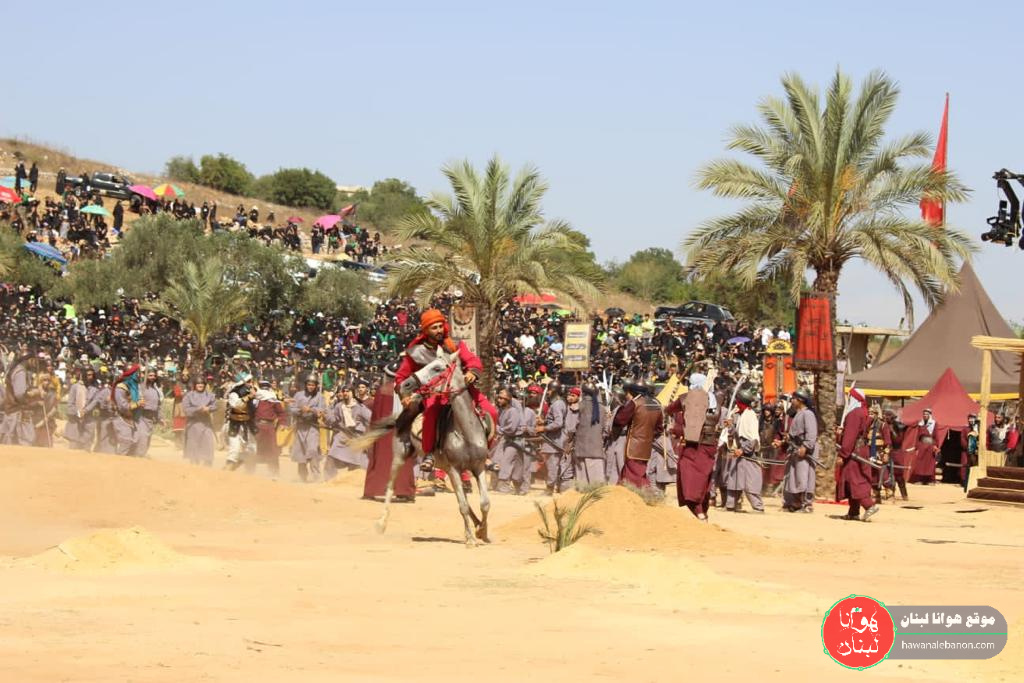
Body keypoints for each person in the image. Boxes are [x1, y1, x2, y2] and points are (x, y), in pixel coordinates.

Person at [393, 309, 498, 468]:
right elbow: (401, 376)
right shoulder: (415, 352)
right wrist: (404, 395)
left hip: (462, 390)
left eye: (440, 326)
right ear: (426, 330)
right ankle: (429, 454)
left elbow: (472, 359)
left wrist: (472, 371)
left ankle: (486, 453)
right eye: (434, 327)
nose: (439, 330)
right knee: (431, 415)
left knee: (492, 411)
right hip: (434, 393)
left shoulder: (454, 343)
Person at [665, 373, 721, 521]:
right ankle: (703, 512)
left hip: (693, 447)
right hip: (709, 445)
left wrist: (673, 423)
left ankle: (699, 512)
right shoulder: (714, 400)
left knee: (690, 481)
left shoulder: (685, 398)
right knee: (703, 480)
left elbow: (669, 410)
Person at [363, 361, 417, 500]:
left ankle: (373, 490)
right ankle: (404, 491)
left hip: (384, 432)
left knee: (380, 459)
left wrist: (373, 431)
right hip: (403, 430)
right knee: (404, 459)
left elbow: (376, 415)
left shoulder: (383, 390)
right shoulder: (409, 391)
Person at [608, 382, 662, 489]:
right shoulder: (655, 404)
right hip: (646, 447)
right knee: (637, 472)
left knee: (633, 477)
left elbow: (619, 420)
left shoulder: (635, 403)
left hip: (633, 446)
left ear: (632, 392)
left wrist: (621, 408)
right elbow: (659, 428)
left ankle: (641, 495)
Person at [835, 389, 878, 521]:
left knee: (854, 479)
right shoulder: (863, 412)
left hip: (854, 451)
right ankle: (853, 512)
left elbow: (850, 436)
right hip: (860, 449)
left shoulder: (854, 414)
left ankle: (869, 505)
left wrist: (843, 454)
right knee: (850, 479)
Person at [723, 387, 765, 513]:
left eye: (737, 402)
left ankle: (758, 507)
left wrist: (743, 450)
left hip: (748, 454)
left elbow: (753, 438)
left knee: (750, 482)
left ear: (741, 403)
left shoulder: (750, 415)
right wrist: (730, 426)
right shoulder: (741, 415)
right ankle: (731, 505)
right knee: (734, 479)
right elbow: (738, 434)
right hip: (739, 452)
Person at [779, 388, 817, 513]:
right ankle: (795, 503)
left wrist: (805, 447)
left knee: (803, 477)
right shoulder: (798, 414)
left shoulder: (808, 414)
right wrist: (786, 439)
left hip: (804, 450)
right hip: (795, 449)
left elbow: (811, 433)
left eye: (794, 399)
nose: (792, 401)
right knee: (794, 477)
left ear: (800, 400)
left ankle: (806, 505)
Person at [324, 384, 372, 480]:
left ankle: (351, 484)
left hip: (356, 438)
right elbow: (334, 420)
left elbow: (371, 420)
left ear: (353, 393)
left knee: (354, 465)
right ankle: (329, 481)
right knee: (330, 459)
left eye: (348, 391)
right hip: (342, 437)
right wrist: (327, 415)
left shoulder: (360, 407)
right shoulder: (339, 406)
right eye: (344, 391)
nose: (345, 393)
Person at [290, 373, 326, 482]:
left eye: (313, 385)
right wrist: (301, 410)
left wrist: (311, 410)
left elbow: (323, 410)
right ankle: (302, 477)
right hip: (300, 427)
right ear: (306, 385)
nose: (311, 387)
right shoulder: (298, 395)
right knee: (300, 453)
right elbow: (292, 408)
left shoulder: (320, 397)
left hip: (312, 427)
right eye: (309, 384)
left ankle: (316, 476)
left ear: (316, 386)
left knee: (313, 450)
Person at [537, 383, 572, 494]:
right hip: (554, 439)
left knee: (552, 465)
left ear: (553, 391)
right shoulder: (558, 403)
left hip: (554, 440)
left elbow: (558, 423)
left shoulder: (557, 404)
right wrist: (544, 421)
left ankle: (550, 488)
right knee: (552, 465)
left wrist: (543, 428)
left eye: (549, 390)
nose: (547, 393)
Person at [570, 383, 606, 486]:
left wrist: (569, 441)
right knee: (598, 487)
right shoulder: (603, 408)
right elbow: (605, 429)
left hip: (581, 449)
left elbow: (571, 428)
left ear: (583, 393)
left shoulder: (577, 406)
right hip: (596, 450)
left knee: (582, 486)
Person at [492, 386, 525, 494]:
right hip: (506, 439)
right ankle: (498, 484)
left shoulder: (513, 411)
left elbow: (511, 428)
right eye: (499, 397)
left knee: (507, 462)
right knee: (497, 459)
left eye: (502, 398)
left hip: (515, 441)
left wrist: (498, 429)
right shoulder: (502, 411)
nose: (499, 400)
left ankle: (504, 486)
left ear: (508, 400)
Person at [251, 379, 286, 477]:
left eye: (266, 388)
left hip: (269, 427)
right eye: (262, 388)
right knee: (254, 449)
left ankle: (274, 472)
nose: (264, 390)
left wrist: (282, 423)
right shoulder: (255, 400)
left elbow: (281, 413)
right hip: (257, 426)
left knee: (272, 450)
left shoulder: (273, 400)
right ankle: (251, 472)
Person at [182, 377, 216, 466]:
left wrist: (209, 408)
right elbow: (186, 409)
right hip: (193, 423)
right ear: (195, 385)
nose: (200, 385)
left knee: (208, 442)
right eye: (198, 384)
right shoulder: (189, 396)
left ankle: (207, 464)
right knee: (193, 443)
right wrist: (198, 409)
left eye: (202, 384)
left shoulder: (210, 395)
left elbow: (214, 406)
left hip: (206, 423)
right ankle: (194, 465)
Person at [224, 374, 256, 470]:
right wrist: (249, 397)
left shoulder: (253, 391)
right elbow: (237, 405)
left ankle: (242, 466)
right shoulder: (234, 393)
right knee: (235, 447)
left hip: (248, 423)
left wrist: (254, 394)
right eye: (249, 381)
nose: (251, 383)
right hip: (235, 424)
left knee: (252, 448)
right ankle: (228, 467)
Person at [111, 364, 141, 455]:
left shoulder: (134, 387)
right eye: (136, 373)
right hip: (121, 418)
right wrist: (137, 404)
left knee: (135, 442)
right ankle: (119, 461)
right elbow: (122, 406)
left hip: (131, 418)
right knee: (126, 441)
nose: (138, 375)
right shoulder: (121, 388)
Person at [133, 367, 163, 456]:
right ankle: (137, 458)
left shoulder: (156, 389)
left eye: (154, 375)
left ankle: (142, 457)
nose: (152, 377)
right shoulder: (140, 387)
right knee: (142, 439)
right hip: (141, 417)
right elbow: (133, 400)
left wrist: (160, 418)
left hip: (151, 418)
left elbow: (158, 405)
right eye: (150, 375)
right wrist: (138, 401)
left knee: (147, 441)